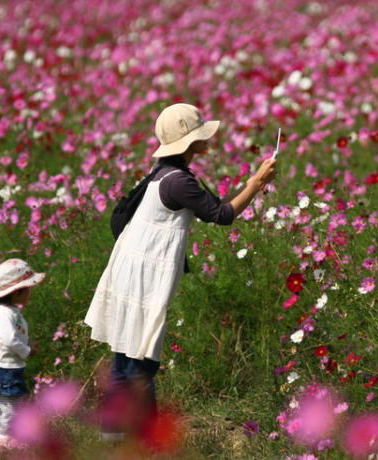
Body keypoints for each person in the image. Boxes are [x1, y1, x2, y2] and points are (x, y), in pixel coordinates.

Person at [84, 103, 277, 440]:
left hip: (128, 268)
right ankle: (154, 440)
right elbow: (222, 214)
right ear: (190, 144)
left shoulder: (163, 172)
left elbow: (213, 208)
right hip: (143, 278)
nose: (208, 139)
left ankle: (112, 436)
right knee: (141, 363)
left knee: (123, 358)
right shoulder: (178, 183)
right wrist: (256, 182)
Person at [0, 258, 45, 449]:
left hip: (7, 368)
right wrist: (27, 350)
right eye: (28, 288)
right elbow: (9, 339)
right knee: (12, 409)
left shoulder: (10, 310)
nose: (30, 292)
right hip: (2, 370)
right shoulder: (4, 314)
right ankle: (6, 441)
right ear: (17, 291)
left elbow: (14, 336)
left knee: (8, 405)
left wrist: (27, 342)